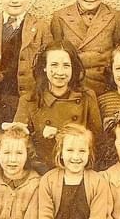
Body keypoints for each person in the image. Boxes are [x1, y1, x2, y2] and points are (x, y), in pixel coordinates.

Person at [13, 40, 102, 169]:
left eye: (66, 65)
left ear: (73, 68)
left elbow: (98, 140)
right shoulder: (29, 100)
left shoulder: (87, 97)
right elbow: (17, 141)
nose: (60, 72)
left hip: (78, 167)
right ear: (44, 67)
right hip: (42, 170)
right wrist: (40, 137)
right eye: (54, 65)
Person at [50, 0, 120, 95]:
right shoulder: (60, 17)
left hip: (103, 88)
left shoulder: (116, 17)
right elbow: (55, 55)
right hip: (71, 87)